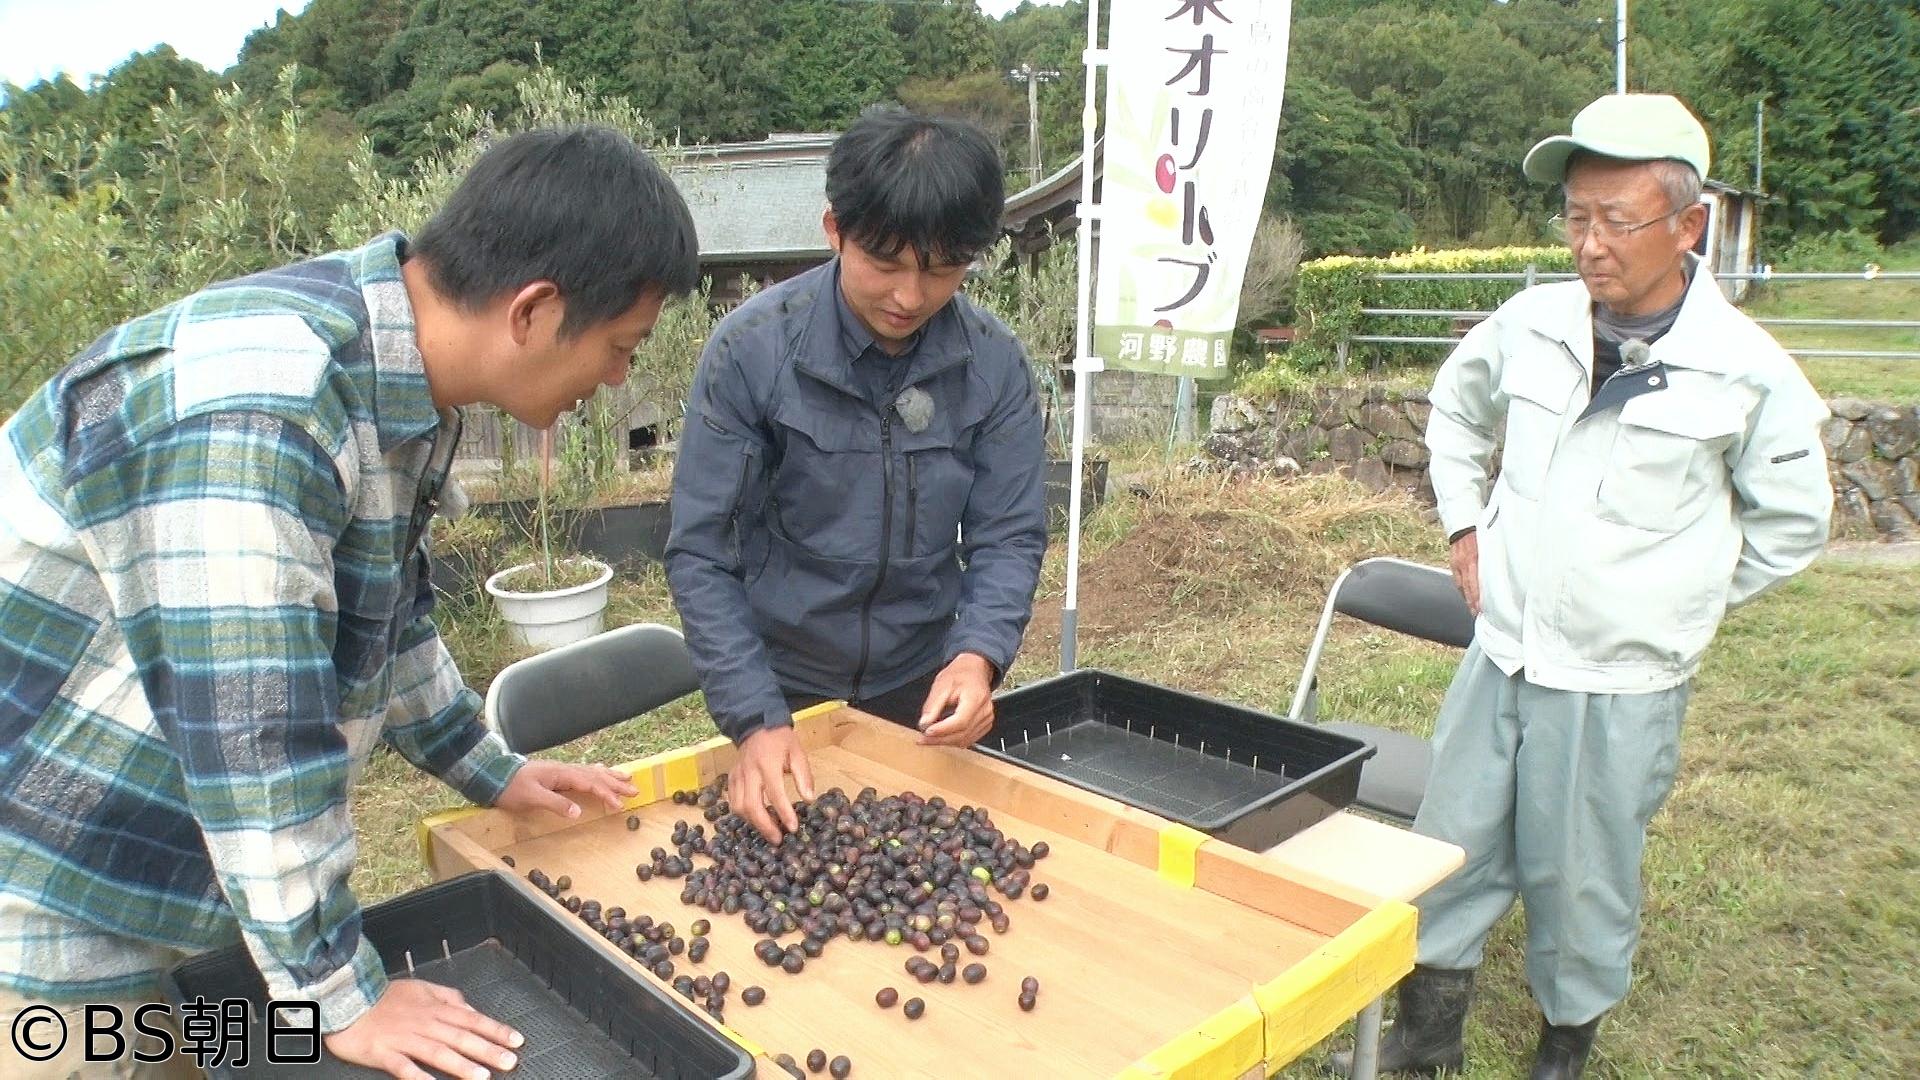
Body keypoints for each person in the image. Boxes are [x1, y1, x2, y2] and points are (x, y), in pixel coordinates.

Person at [0, 125, 699, 1079]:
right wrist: (338, 994)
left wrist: (486, 767)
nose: (618, 379)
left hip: (181, 887)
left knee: (202, 1051)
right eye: (621, 348)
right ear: (534, 311)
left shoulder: (400, 382)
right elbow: (252, 732)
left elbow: (385, 615)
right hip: (54, 914)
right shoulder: (263, 410)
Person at [1333, 94, 1834, 1079]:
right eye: (1575, 217)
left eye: (1617, 219)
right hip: (1506, 648)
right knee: (1453, 838)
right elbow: (1454, 413)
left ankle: (1567, 1039)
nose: (1591, 245)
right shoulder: (1532, 323)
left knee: (1584, 873)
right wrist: (1465, 522)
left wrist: (1678, 597)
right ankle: (1428, 1031)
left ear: (1689, 225)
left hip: (1620, 681)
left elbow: (1794, 521)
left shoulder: (1742, 371)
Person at [666, 108, 1048, 844]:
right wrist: (754, 716)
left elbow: (1009, 533)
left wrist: (978, 658)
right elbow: (702, 552)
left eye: (942, 270)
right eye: (885, 263)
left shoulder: (993, 364)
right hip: (783, 686)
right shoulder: (751, 352)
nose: (910, 296)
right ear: (834, 229)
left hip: (923, 682)